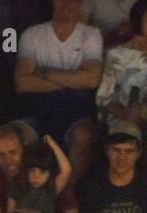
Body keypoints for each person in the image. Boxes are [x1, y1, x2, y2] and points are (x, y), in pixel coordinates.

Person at [14, 0, 104, 173]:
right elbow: (22, 83)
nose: (67, 4)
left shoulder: (91, 34)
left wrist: (44, 73)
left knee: (83, 134)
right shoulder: (32, 34)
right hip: (36, 110)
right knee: (14, 136)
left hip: (76, 111)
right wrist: (73, 80)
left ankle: (69, 194)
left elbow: (92, 79)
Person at [94, 0, 147, 130]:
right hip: (120, 120)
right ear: (139, 18)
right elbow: (103, 97)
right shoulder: (115, 55)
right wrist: (123, 113)